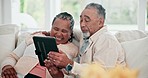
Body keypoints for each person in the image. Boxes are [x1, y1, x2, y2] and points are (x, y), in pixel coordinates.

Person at [45, 3, 126, 77]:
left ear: (100, 22)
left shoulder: (107, 40)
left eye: (87, 20)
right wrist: (50, 32)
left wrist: (69, 63)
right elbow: (69, 31)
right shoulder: (86, 35)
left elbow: (100, 74)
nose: (82, 24)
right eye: (81, 20)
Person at [1, 12, 78, 78]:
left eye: (64, 31)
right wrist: (7, 67)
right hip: (18, 75)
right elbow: (12, 56)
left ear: (70, 33)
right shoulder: (35, 37)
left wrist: (57, 74)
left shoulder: (73, 50)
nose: (58, 34)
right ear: (51, 28)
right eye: (56, 29)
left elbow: (71, 74)